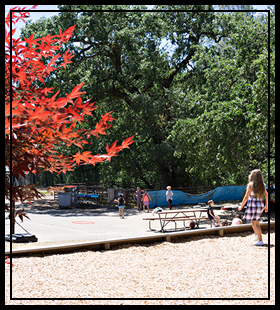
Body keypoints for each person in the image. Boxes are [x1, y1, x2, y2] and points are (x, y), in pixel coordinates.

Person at [238, 169, 268, 246]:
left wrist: (241, 205)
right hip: (259, 204)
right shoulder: (262, 185)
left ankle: (260, 240)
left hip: (252, 205)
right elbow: (266, 195)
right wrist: (267, 205)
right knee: (253, 220)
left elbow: (246, 196)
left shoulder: (250, 185)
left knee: (256, 222)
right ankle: (256, 235)